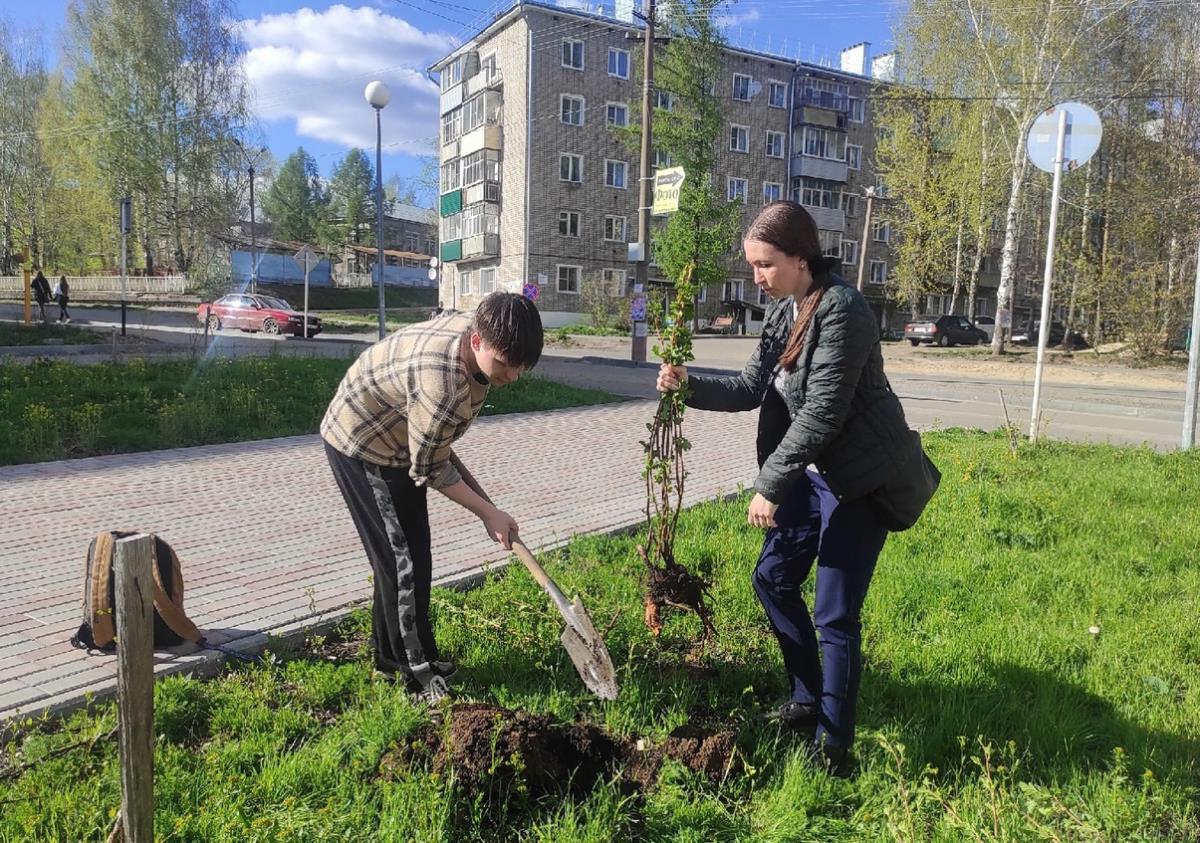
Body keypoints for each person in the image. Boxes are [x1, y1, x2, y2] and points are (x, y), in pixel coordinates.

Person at [656, 201, 917, 776]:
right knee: (772, 579)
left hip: (860, 481)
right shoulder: (784, 309)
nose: (756, 277)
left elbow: (823, 411)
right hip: (811, 476)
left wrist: (769, 484)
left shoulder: (843, 311)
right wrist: (687, 385)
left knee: (835, 615)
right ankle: (805, 695)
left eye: (765, 265)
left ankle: (835, 747)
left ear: (801, 259)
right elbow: (752, 387)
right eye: (752, 265)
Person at [321, 291, 543, 704]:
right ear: (477, 341)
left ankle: (394, 659)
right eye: (505, 364)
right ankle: (413, 677)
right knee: (402, 565)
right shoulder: (442, 386)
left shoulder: (479, 334)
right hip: (363, 443)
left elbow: (434, 450)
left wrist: (489, 508)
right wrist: (486, 513)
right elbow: (430, 471)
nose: (512, 377)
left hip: (402, 434)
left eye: (521, 367)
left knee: (410, 558)